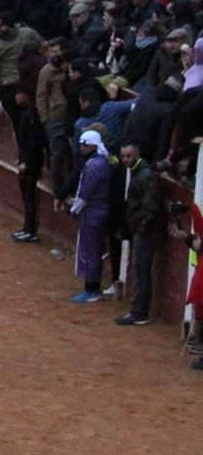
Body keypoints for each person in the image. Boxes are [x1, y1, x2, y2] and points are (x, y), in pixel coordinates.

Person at [114, 143, 165, 326]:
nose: (125, 160)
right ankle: (138, 311)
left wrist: (141, 229)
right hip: (144, 230)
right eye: (123, 156)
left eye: (128, 156)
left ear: (136, 155)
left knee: (141, 272)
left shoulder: (145, 175)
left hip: (146, 232)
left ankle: (139, 313)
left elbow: (151, 207)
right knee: (140, 271)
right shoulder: (141, 173)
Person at [69, 130, 113, 304]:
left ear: (93, 145)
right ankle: (92, 287)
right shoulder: (103, 162)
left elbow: (84, 193)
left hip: (92, 212)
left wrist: (74, 210)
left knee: (90, 250)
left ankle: (91, 289)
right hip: (98, 210)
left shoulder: (94, 166)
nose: (81, 148)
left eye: (84, 145)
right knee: (93, 250)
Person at [11, 86, 49, 244]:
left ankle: (30, 231)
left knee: (29, 196)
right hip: (27, 160)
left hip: (31, 162)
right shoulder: (27, 112)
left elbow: (34, 141)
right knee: (27, 196)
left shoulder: (31, 113)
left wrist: (25, 161)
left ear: (26, 95)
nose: (16, 97)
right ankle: (27, 228)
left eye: (18, 94)